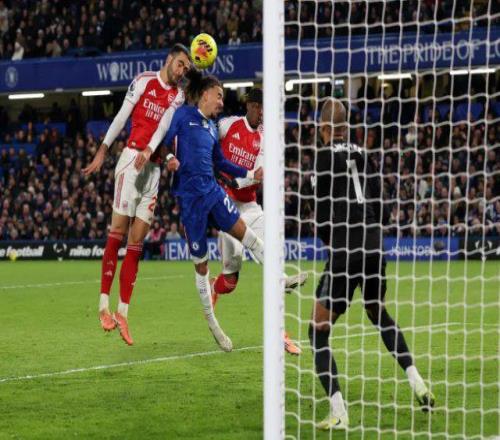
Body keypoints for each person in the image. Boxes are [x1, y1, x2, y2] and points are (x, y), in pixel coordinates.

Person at [309, 98, 434, 430]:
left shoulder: (323, 157)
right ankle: (418, 383)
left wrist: (330, 242)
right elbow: (382, 206)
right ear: (346, 126)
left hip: (345, 247)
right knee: (378, 313)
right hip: (374, 245)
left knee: (317, 330)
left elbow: (321, 211)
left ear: (324, 128)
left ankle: (339, 411)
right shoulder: (365, 154)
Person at [138, 69, 264, 352]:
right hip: (190, 201)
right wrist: (170, 158)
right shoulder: (182, 115)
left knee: (246, 235)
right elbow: (164, 144)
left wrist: (250, 173)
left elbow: (222, 163)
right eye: (219, 96)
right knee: (202, 266)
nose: (222, 102)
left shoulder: (212, 127)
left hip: (213, 192)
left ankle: (279, 278)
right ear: (205, 95)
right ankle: (213, 324)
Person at [83, 43, 191, 345]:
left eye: (186, 68)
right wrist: (103, 149)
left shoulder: (179, 95)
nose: (182, 71)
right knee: (117, 231)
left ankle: (123, 313)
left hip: (153, 170)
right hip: (132, 161)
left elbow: (165, 130)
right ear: (169, 60)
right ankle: (103, 305)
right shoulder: (144, 81)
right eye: (180, 64)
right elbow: (121, 116)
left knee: (136, 242)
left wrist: (165, 155)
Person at [211, 87, 307, 355]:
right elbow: (207, 139)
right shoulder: (228, 125)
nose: (261, 111)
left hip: (251, 205)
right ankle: (214, 286)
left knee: (270, 253)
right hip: (226, 206)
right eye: (257, 106)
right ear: (249, 106)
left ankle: (281, 333)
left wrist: (236, 179)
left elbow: (257, 173)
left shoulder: (265, 136)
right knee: (230, 281)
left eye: (264, 107)